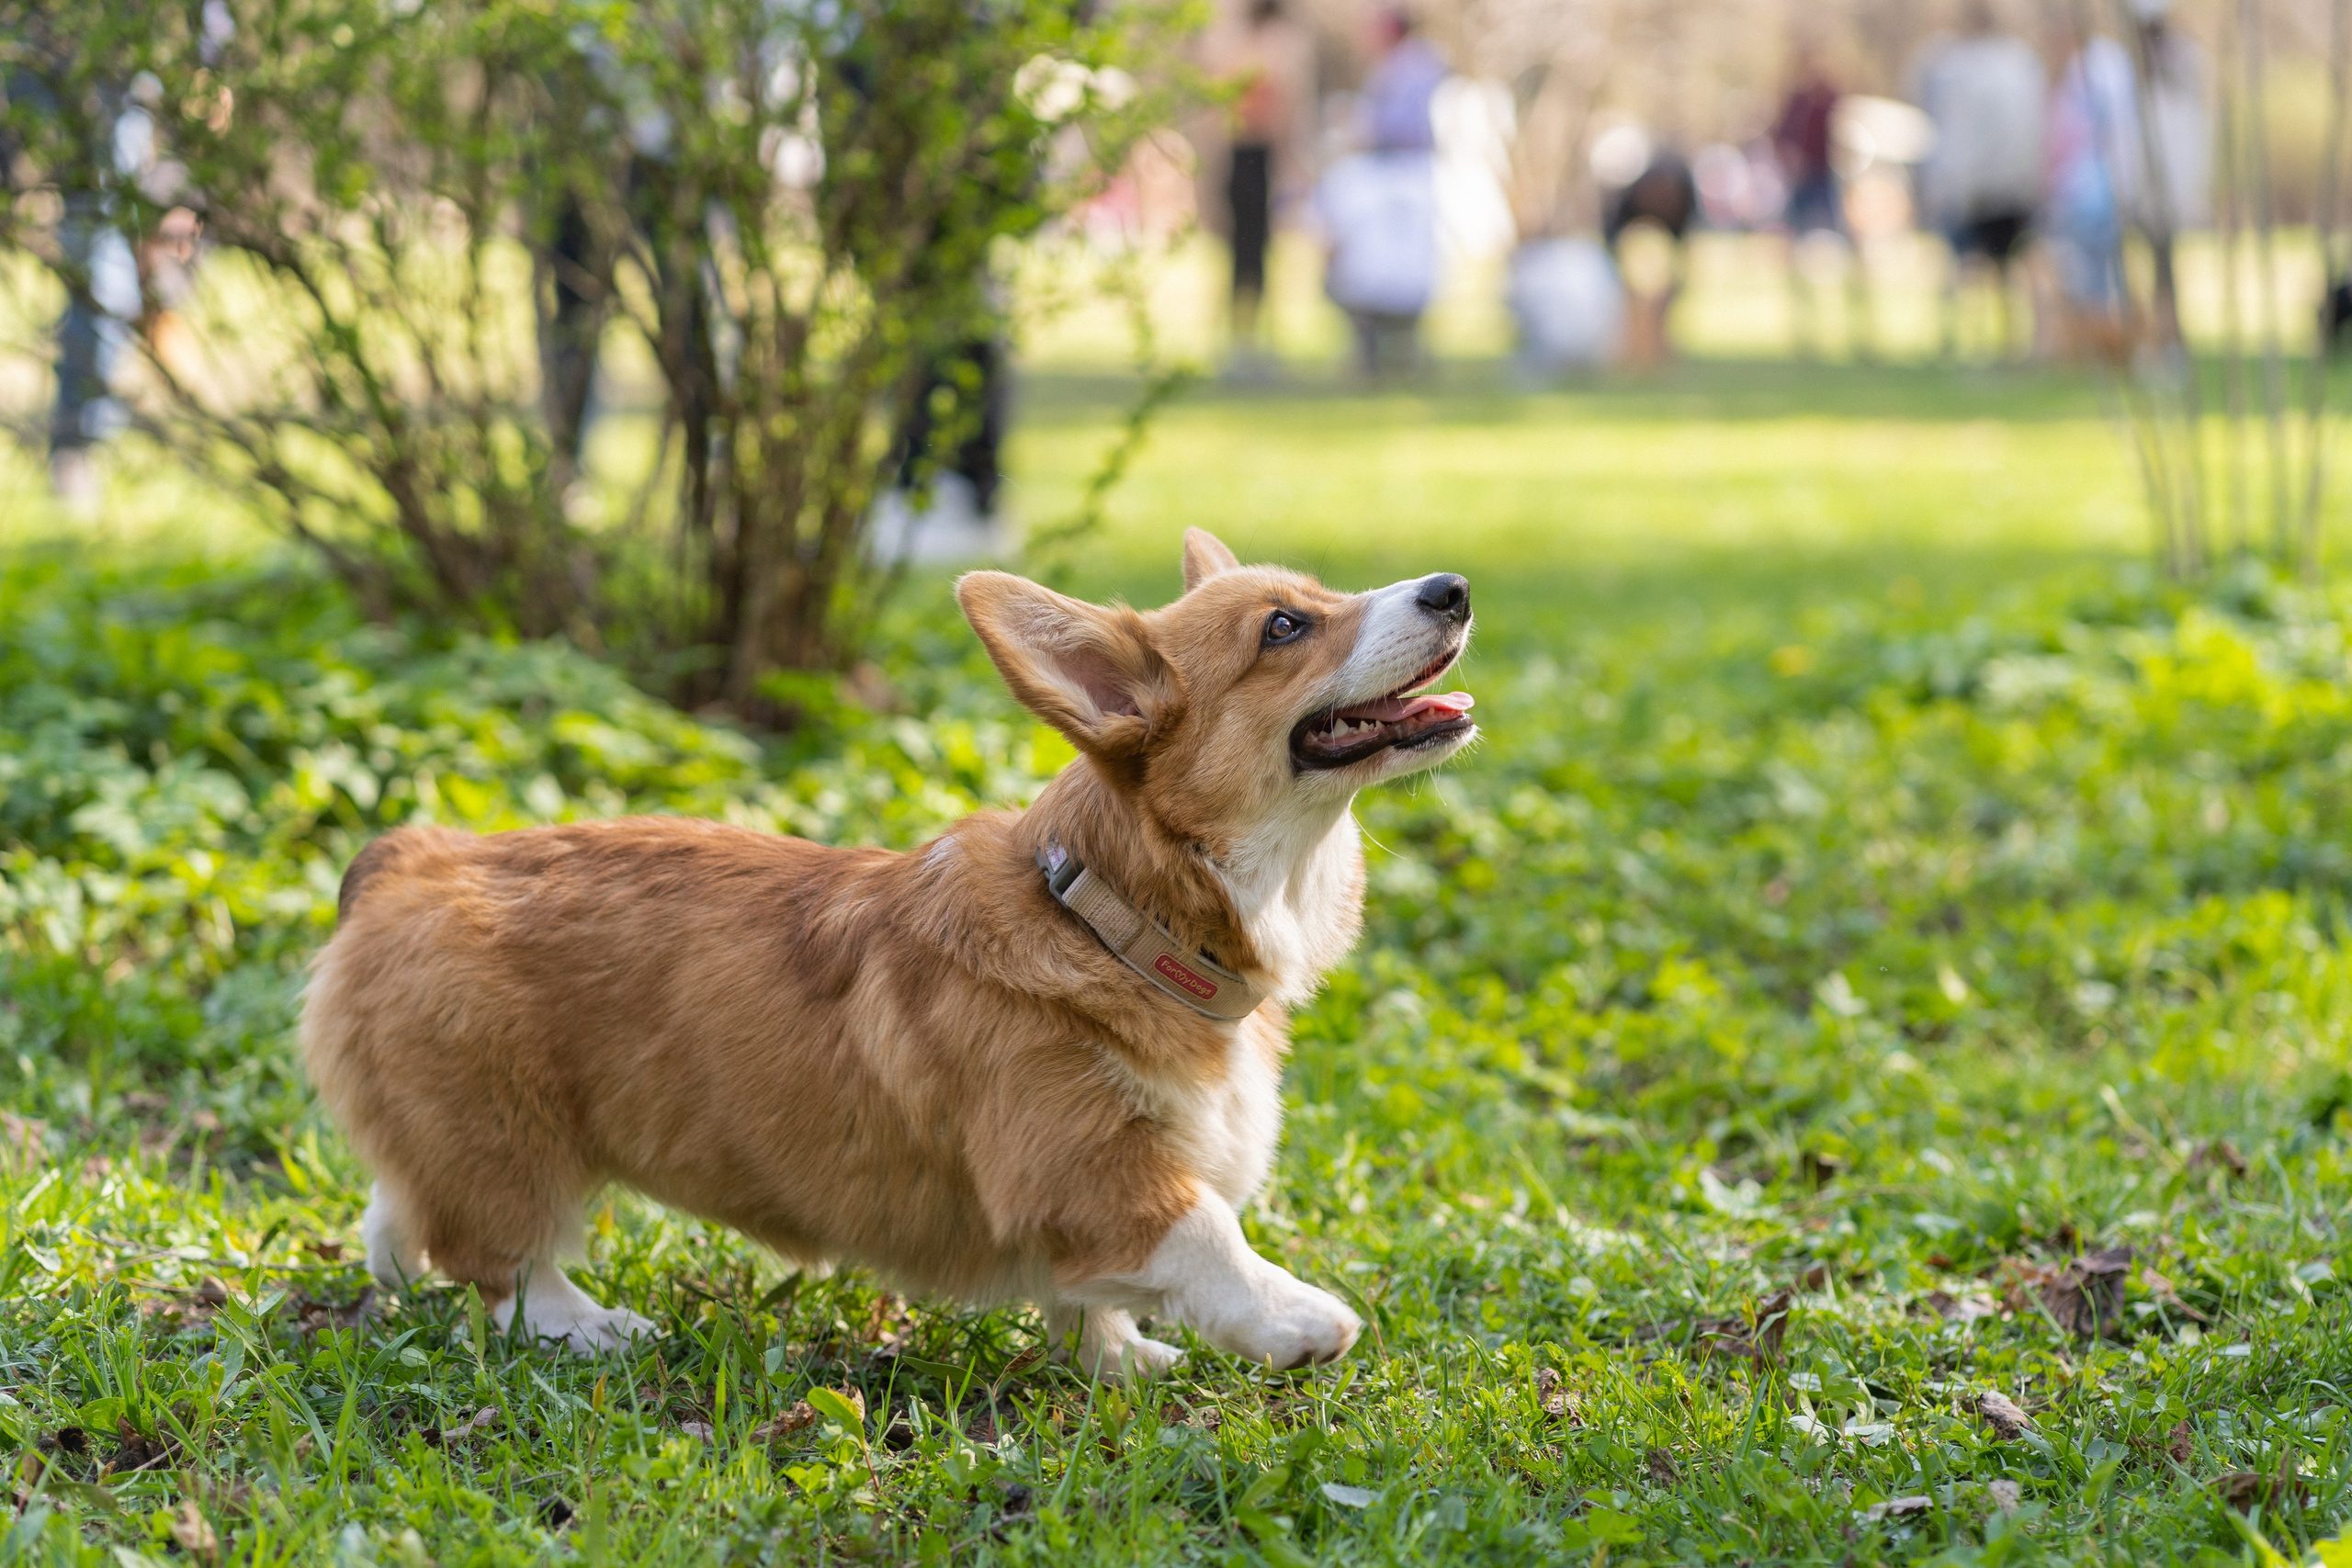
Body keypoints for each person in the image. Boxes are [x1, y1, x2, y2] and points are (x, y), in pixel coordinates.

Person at [1315, 9, 1444, 380]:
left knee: (1397, 271)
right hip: (1383, 175)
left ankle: (1396, 354)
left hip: (1401, 176)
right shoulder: (1391, 68)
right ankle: (1375, 354)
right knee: (1363, 268)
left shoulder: (1415, 66)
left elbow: (1400, 126)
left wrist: (1360, 127)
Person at [1914, 0, 2045, 359]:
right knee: (2005, 267)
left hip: (1984, 185)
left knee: (1972, 264)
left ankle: (1978, 342)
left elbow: (1959, 134)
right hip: (2013, 182)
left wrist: (1952, 184)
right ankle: (2002, 340)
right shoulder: (2020, 62)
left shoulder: (1964, 69)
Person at [1204, 0, 1310, 372]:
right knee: (1243, 251)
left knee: (1254, 251)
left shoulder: (1264, 45)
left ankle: (1254, 336)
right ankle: (1242, 337)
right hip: (1246, 156)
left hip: (1255, 157)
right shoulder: (1250, 45)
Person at [1772, 38, 1866, 357]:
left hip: (1829, 180)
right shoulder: (1795, 100)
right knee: (1794, 250)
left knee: (1850, 247)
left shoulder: (1832, 97)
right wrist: (1790, 161)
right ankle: (1802, 327)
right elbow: (1781, 139)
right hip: (1802, 182)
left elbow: (1846, 136)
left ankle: (1858, 325)